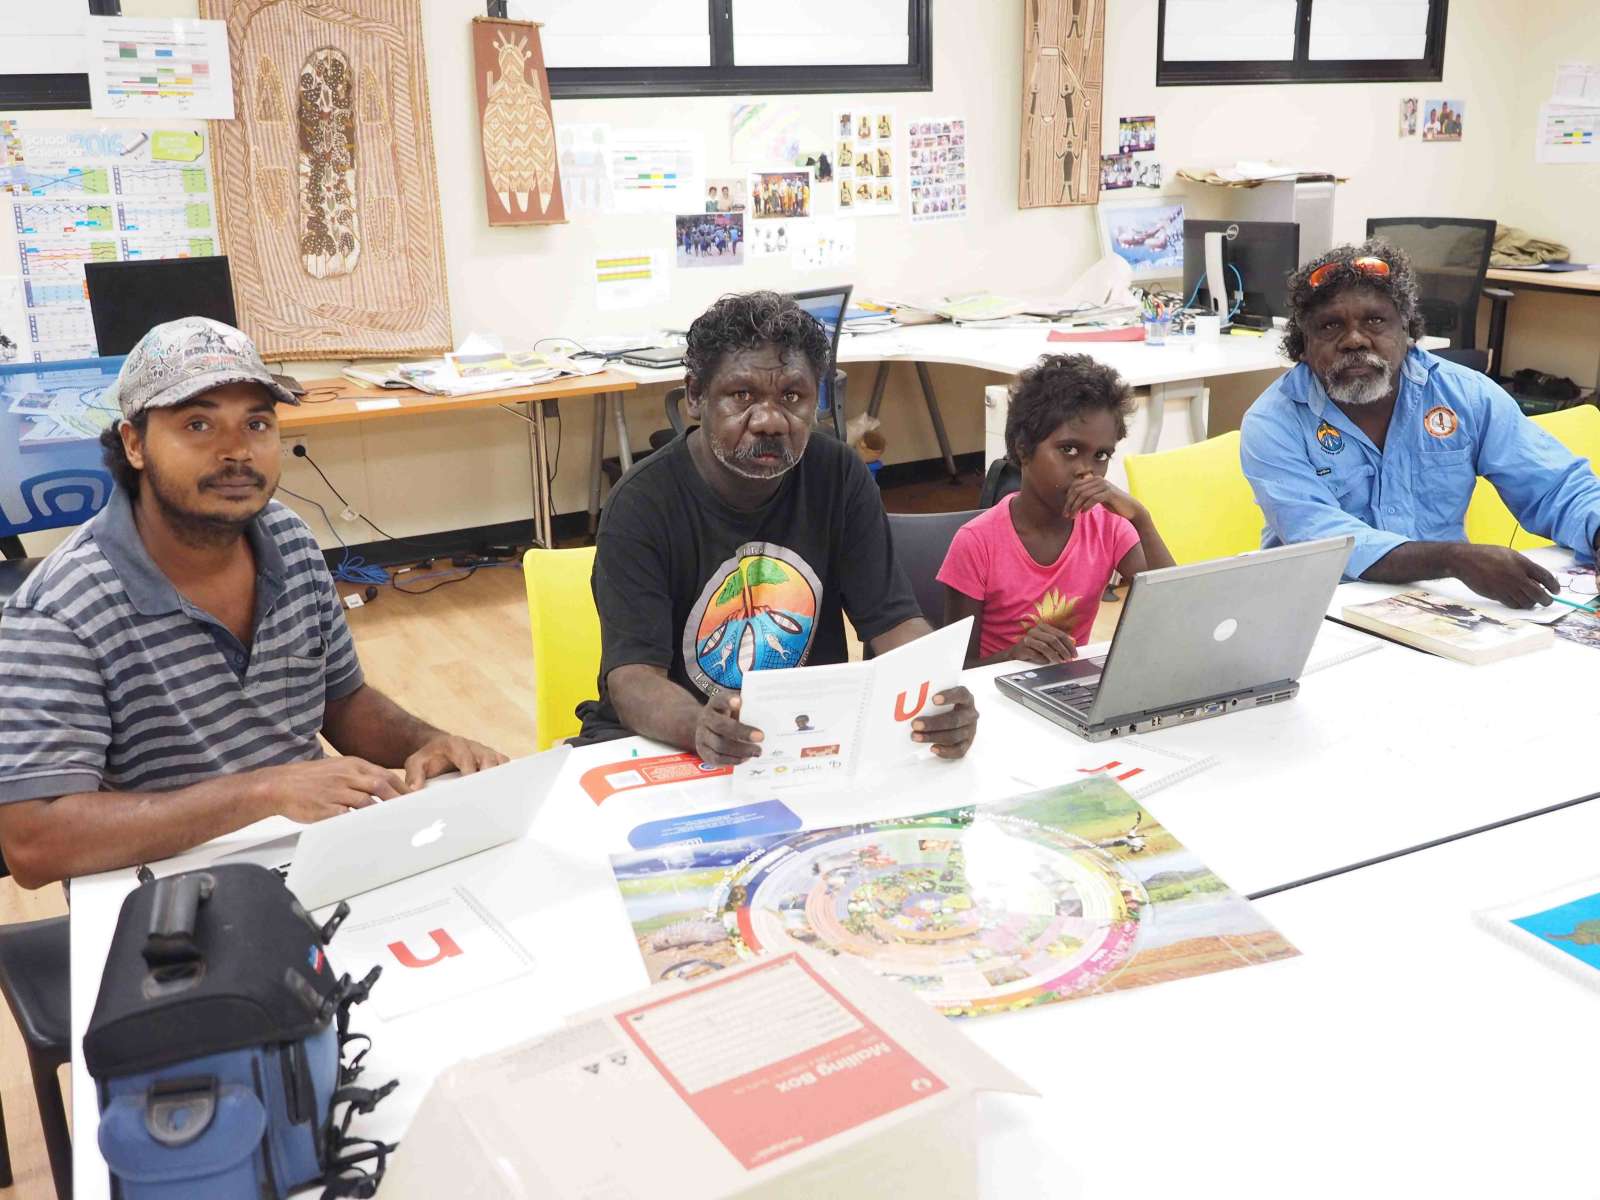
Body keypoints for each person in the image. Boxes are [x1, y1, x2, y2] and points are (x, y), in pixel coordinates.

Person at [0, 318, 506, 887]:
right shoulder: (60, 611)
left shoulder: (285, 538)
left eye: (257, 422)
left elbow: (342, 702)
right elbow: (33, 842)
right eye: (198, 424)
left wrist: (428, 742)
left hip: (310, 850)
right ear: (134, 443)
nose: (238, 450)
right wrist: (265, 791)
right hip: (163, 888)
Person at [581, 291, 979, 764]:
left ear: (817, 400)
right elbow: (633, 679)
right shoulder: (641, 504)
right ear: (694, 396)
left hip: (804, 741)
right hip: (668, 742)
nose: (769, 421)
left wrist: (940, 692)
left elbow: (893, 622)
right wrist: (699, 728)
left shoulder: (840, 476)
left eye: (792, 396)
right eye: (741, 395)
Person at [1240, 241, 1600, 609]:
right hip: (1321, 610)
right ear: (1303, 345)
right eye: (1330, 326)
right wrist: (1452, 559)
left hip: (1443, 605)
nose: (1354, 340)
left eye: (1375, 320)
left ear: (1408, 331)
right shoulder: (1273, 421)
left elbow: (1555, 486)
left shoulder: (1465, 395)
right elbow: (1323, 541)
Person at [939, 355, 1175, 667]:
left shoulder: (1108, 526)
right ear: (1023, 450)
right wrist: (1013, 656)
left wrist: (1141, 519)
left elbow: (1172, 608)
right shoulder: (977, 542)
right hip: (994, 696)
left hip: (1068, 692)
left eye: (1101, 455)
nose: (1086, 471)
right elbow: (954, 668)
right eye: (1069, 450)